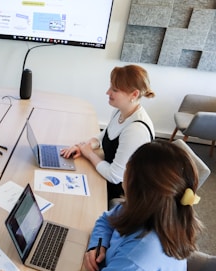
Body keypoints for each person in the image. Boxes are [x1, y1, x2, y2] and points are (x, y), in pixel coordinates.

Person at [83, 140, 203, 271]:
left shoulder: (144, 252)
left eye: (127, 170)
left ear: (138, 189)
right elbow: (106, 220)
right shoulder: (150, 209)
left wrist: (96, 269)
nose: (124, 174)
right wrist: (98, 245)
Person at [60, 65, 155, 203]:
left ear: (134, 95)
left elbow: (114, 176)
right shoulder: (120, 111)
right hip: (107, 176)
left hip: (122, 192)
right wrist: (85, 146)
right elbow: (106, 135)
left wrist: (89, 154)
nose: (107, 92)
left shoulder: (136, 130)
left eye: (114, 90)